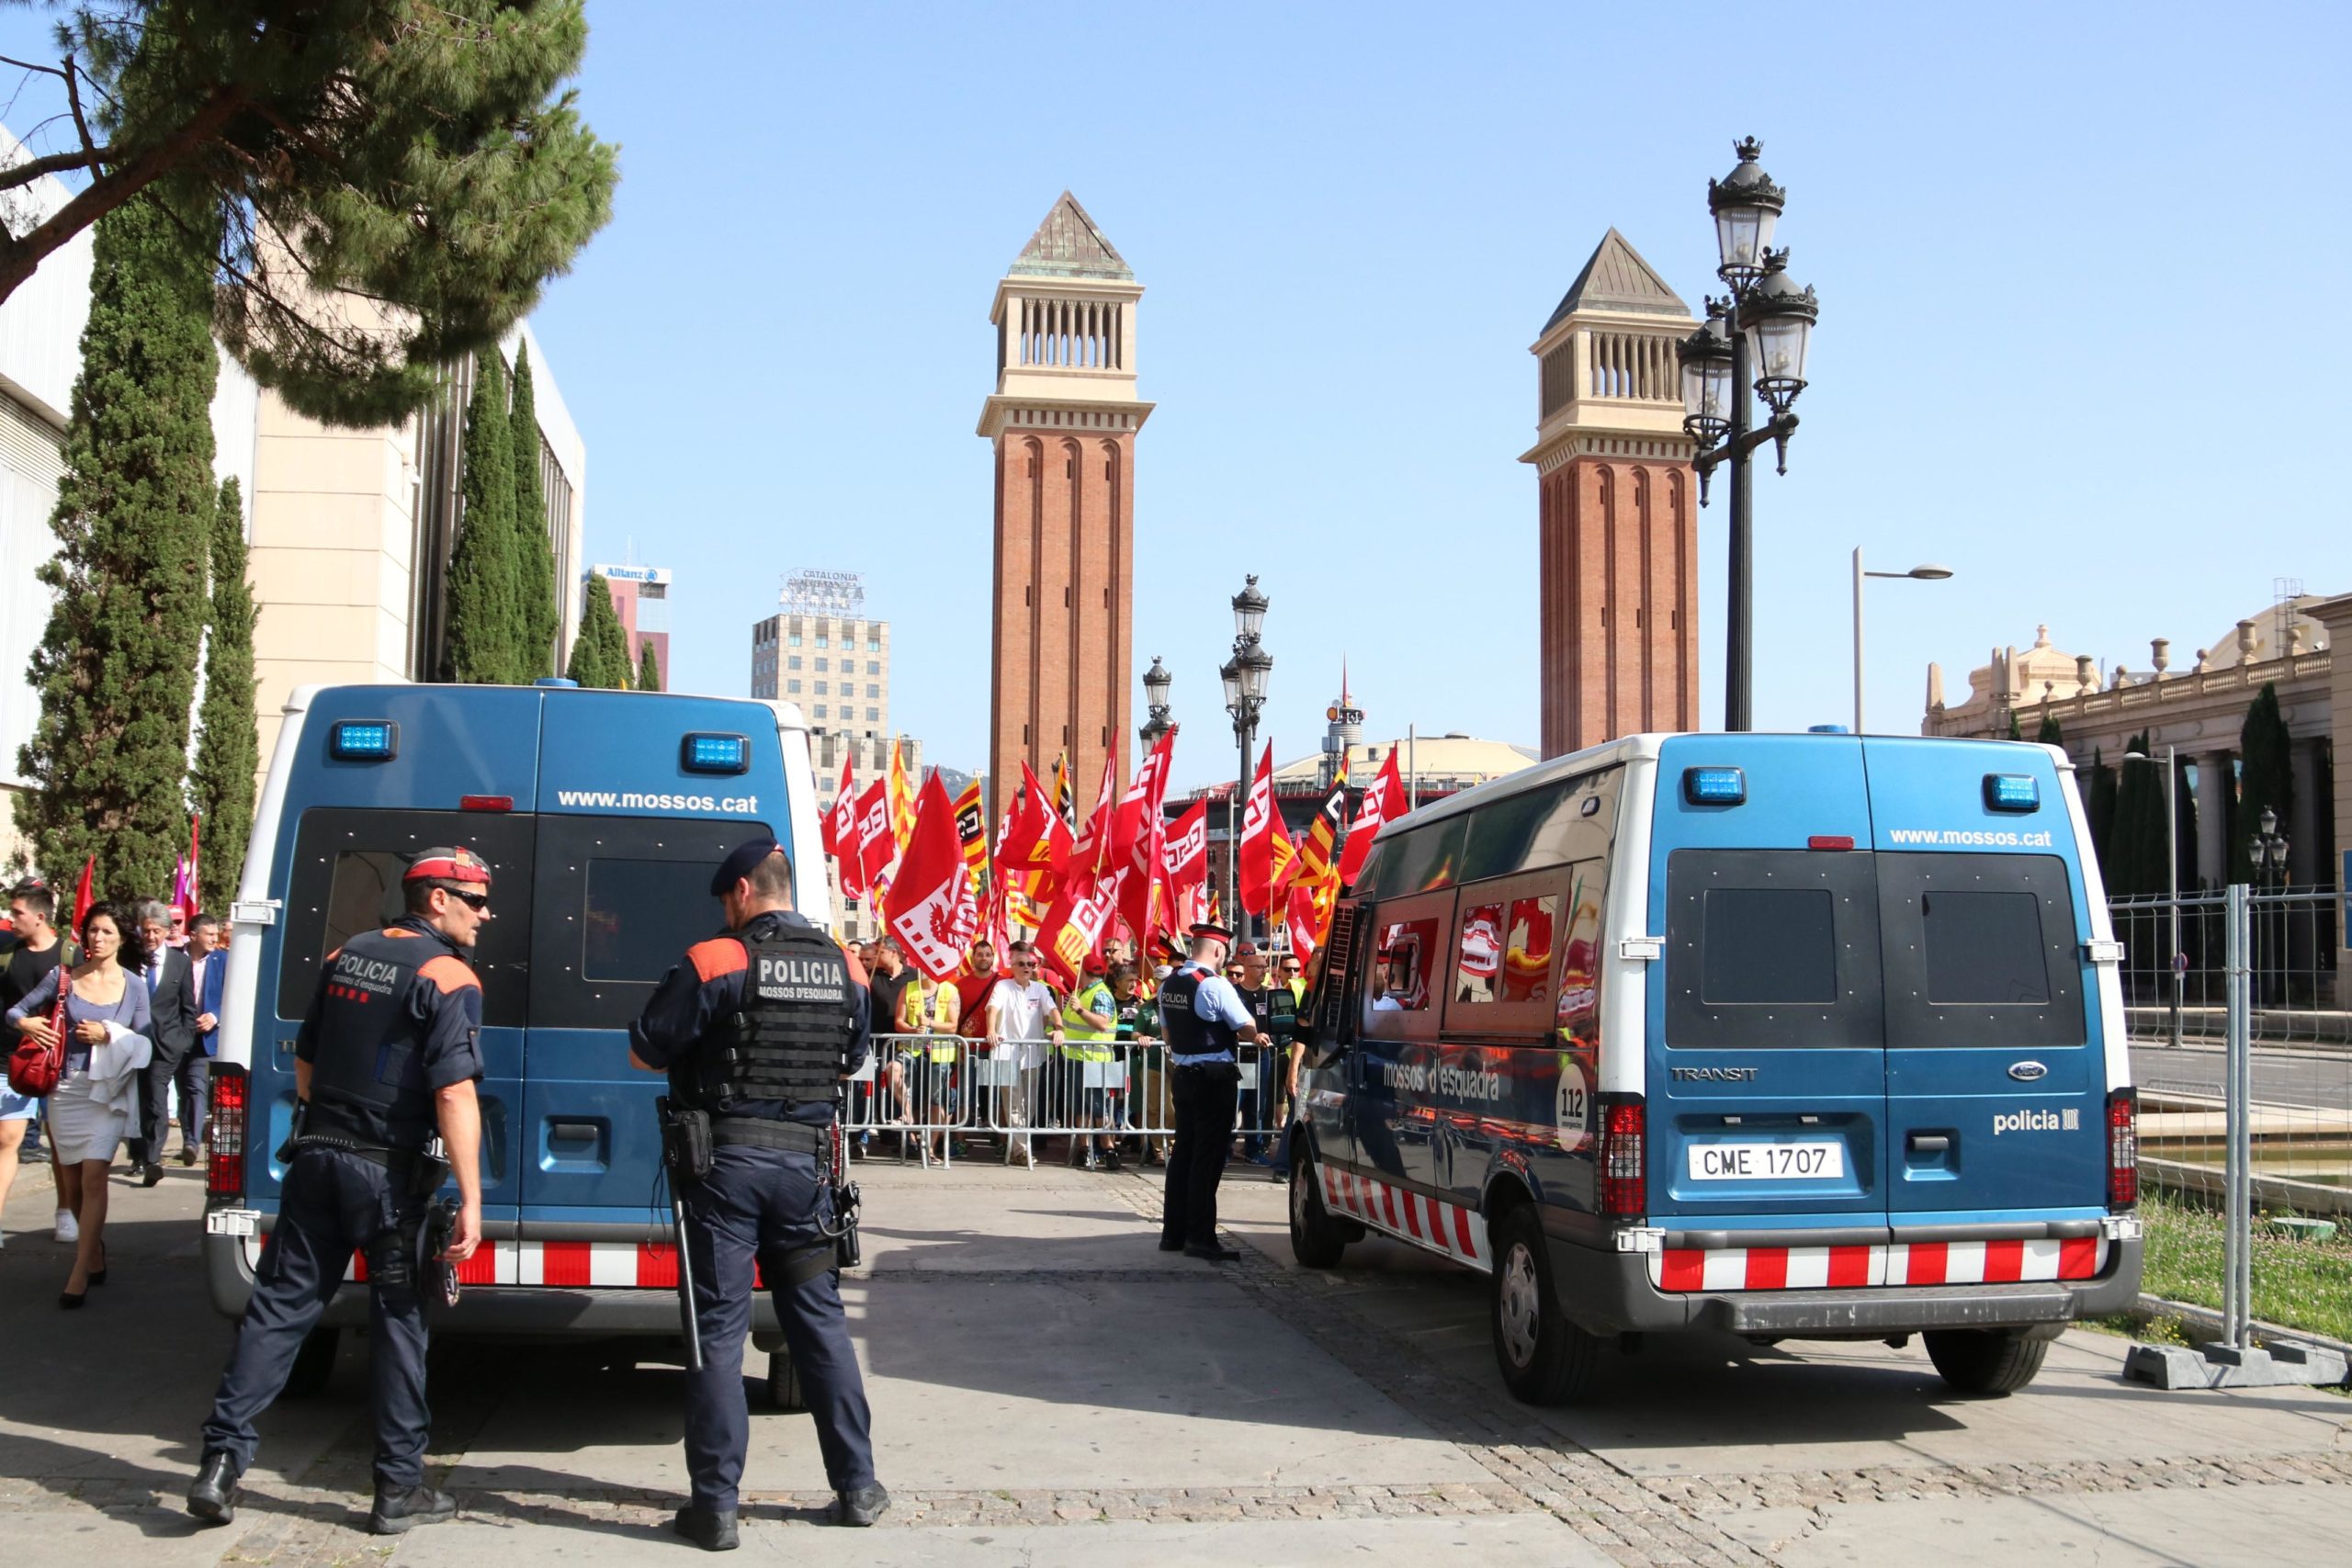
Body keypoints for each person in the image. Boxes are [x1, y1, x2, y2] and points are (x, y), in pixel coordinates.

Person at [187, 848, 490, 1535]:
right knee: (400, 1327)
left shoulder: (343, 955)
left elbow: (306, 1058)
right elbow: (454, 1091)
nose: (484, 912)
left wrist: (327, 1126)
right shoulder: (450, 976)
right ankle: (397, 1490)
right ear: (435, 900)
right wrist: (471, 1196)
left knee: (277, 1313)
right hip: (388, 1180)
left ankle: (220, 1463)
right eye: (474, 899)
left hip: (319, 1161)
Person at [628, 837, 887, 1546]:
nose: (724, 910)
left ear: (742, 889)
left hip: (727, 1170)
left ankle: (714, 1507)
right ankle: (858, 1486)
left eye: (724, 899)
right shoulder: (846, 966)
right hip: (806, 1171)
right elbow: (855, 1057)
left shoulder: (719, 958)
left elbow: (645, 1045)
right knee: (820, 1324)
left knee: (718, 1330)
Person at [7, 901, 151, 1300]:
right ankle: (95, 1251)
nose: (97, 938)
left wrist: (109, 1036)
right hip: (65, 1091)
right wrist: (27, 1023)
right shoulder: (64, 976)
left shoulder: (134, 986)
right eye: (92, 930)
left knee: (94, 1176)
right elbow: (16, 1011)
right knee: (70, 1190)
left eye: (106, 931)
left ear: (122, 938)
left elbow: (147, 1041)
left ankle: (78, 1273)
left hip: (106, 1092)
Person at [1157, 923, 1270, 1262]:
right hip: (1213, 1078)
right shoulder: (1214, 984)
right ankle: (1201, 1237)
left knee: (1183, 1156)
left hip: (1183, 1074)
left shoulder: (1169, 983)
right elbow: (1245, 1026)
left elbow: (1166, 1032)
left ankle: (1173, 1234)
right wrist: (1260, 1035)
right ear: (1219, 951)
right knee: (1207, 1159)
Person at [0, 881, 74, 1248]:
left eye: (17, 913)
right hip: (12, 1060)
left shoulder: (70, 955)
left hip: (59, 1062)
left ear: (40, 917)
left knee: (60, 1142)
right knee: (6, 1140)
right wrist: (21, 1023)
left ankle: (65, 1211)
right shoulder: (7, 954)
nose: (11, 918)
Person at [131, 900, 201, 1185]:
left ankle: (152, 1159)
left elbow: (188, 1006)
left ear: (165, 931)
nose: (150, 937)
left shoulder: (179, 962)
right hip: (134, 1042)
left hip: (167, 1044)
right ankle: (140, 1154)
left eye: (156, 931)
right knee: (140, 1099)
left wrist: (184, 1039)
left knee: (156, 1097)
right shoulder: (131, 959)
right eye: (146, 931)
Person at [984, 942, 1060, 1168]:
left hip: (1033, 1055)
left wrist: (1059, 1027)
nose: (1027, 967)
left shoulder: (1040, 988)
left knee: (1030, 1104)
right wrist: (990, 1031)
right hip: (1007, 1054)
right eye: (1022, 964)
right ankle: (1021, 1149)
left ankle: (1019, 1145)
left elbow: (1053, 1010)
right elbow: (993, 1009)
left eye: (1031, 964)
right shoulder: (1003, 986)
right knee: (1014, 1104)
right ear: (1012, 966)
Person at [1236, 944, 1298, 1180]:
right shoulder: (1234, 992)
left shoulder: (1269, 994)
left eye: (1265, 966)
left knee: (1258, 1104)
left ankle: (1254, 1148)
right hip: (1239, 1055)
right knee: (1235, 1105)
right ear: (1246, 968)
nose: (1263, 970)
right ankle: (1225, 1148)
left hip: (1262, 1057)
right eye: (1258, 967)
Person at [1058, 955, 1118, 1170]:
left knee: (1099, 1109)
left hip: (1096, 1060)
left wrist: (1080, 1010)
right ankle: (1083, 1149)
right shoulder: (1080, 993)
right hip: (1077, 1058)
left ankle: (1109, 1149)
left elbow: (1102, 1023)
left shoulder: (1100, 993)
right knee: (1080, 1107)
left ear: (1082, 970)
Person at [175, 912, 226, 1164]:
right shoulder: (175, 959)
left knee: (197, 1086)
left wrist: (215, 1016)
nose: (215, 939)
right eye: (210, 934)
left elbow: (234, 995)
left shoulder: (223, 961)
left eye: (217, 934)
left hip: (205, 1039)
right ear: (193, 935)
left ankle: (192, 1142)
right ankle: (188, 1137)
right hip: (177, 1036)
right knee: (182, 1089)